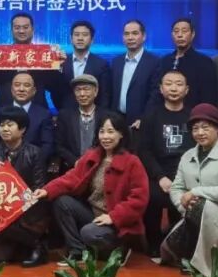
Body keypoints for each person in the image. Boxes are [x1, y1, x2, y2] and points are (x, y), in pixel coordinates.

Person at [34, 112, 148, 262]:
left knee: (88, 233)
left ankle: (119, 250)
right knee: (61, 202)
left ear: (121, 134)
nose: (105, 137)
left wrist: (113, 217)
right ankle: (77, 251)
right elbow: (72, 177)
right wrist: (47, 190)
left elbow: (139, 198)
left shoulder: (132, 162)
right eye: (102, 131)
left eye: (110, 131)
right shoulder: (92, 155)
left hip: (116, 222)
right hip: (93, 214)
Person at [161, 103, 218, 275]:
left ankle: (205, 263)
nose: (200, 132)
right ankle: (194, 254)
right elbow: (176, 188)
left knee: (202, 207)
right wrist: (184, 206)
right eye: (195, 128)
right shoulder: (187, 156)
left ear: (217, 128)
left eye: (205, 127)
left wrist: (195, 192)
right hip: (197, 210)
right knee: (196, 212)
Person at [138, 70, 195, 257]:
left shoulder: (194, 116)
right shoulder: (151, 116)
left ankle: (177, 242)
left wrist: (182, 178)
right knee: (150, 196)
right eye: (168, 84)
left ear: (186, 90)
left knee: (187, 198)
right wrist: (160, 176)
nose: (173, 88)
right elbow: (144, 150)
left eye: (179, 84)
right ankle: (154, 243)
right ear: (161, 89)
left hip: (187, 173)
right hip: (158, 173)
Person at [0, 106, 49, 267]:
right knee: (1, 258)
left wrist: (12, 181)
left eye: (10, 124)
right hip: (2, 210)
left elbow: (39, 186)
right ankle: (25, 243)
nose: (5, 129)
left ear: (22, 129)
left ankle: (38, 245)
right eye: (2, 125)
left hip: (28, 209)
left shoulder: (35, 152)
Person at [0, 72, 54, 166]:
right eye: (17, 85)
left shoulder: (44, 114)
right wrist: (1, 163)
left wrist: (34, 162)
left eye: (27, 85)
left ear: (34, 91)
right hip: (3, 165)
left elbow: (47, 145)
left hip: (32, 166)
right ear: (11, 89)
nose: (21, 89)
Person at [157, 18, 218, 108]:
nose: (180, 35)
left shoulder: (204, 62)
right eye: (176, 31)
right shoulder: (164, 61)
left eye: (184, 31)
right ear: (172, 35)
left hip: (193, 113)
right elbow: (157, 92)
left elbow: (208, 97)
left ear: (192, 34)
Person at [110, 19, 161, 127]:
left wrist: (145, 118)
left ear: (144, 36)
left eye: (135, 33)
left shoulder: (154, 62)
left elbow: (155, 95)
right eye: (126, 34)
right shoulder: (116, 62)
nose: (130, 37)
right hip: (116, 119)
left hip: (140, 122)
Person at [56, 20, 111, 110]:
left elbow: (105, 96)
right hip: (66, 113)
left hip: (93, 114)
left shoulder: (102, 65)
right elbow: (55, 91)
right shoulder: (61, 62)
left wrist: (101, 116)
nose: (80, 38)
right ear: (71, 39)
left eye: (85, 35)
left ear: (92, 40)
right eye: (76, 35)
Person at [56, 74, 105, 170]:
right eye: (78, 90)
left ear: (95, 92)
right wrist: (75, 161)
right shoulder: (65, 116)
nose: (82, 94)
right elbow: (59, 146)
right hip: (72, 167)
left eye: (86, 89)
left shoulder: (106, 116)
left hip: (100, 167)